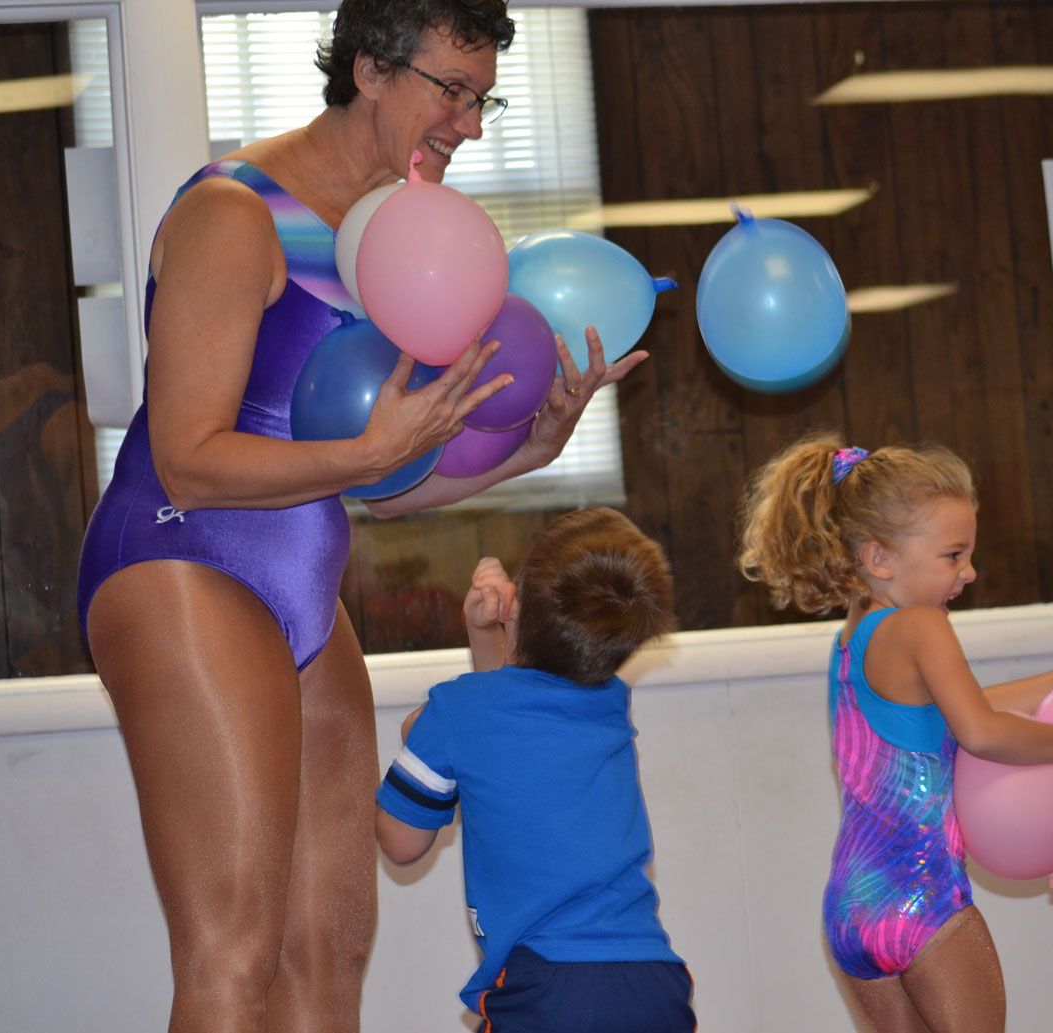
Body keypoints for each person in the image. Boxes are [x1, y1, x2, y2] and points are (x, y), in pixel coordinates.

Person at [74, 2, 647, 1029]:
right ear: (372, 70)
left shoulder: (393, 236)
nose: (470, 125)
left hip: (302, 571)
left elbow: (376, 487)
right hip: (179, 558)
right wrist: (370, 452)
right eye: (451, 92)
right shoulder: (234, 213)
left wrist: (527, 450)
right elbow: (190, 460)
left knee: (328, 951)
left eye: (485, 99)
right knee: (233, 951)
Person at [736, 434, 1053, 1033]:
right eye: (953, 555)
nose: (969, 571)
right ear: (880, 558)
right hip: (924, 896)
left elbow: (945, 714)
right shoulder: (923, 625)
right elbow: (978, 731)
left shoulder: (852, 640)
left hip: (852, 906)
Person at [375, 507, 695, 1033]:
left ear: (516, 600)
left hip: (550, 990)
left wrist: (430, 733)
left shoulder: (459, 713)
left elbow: (401, 843)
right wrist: (487, 638)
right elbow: (507, 708)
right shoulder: (608, 702)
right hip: (654, 984)